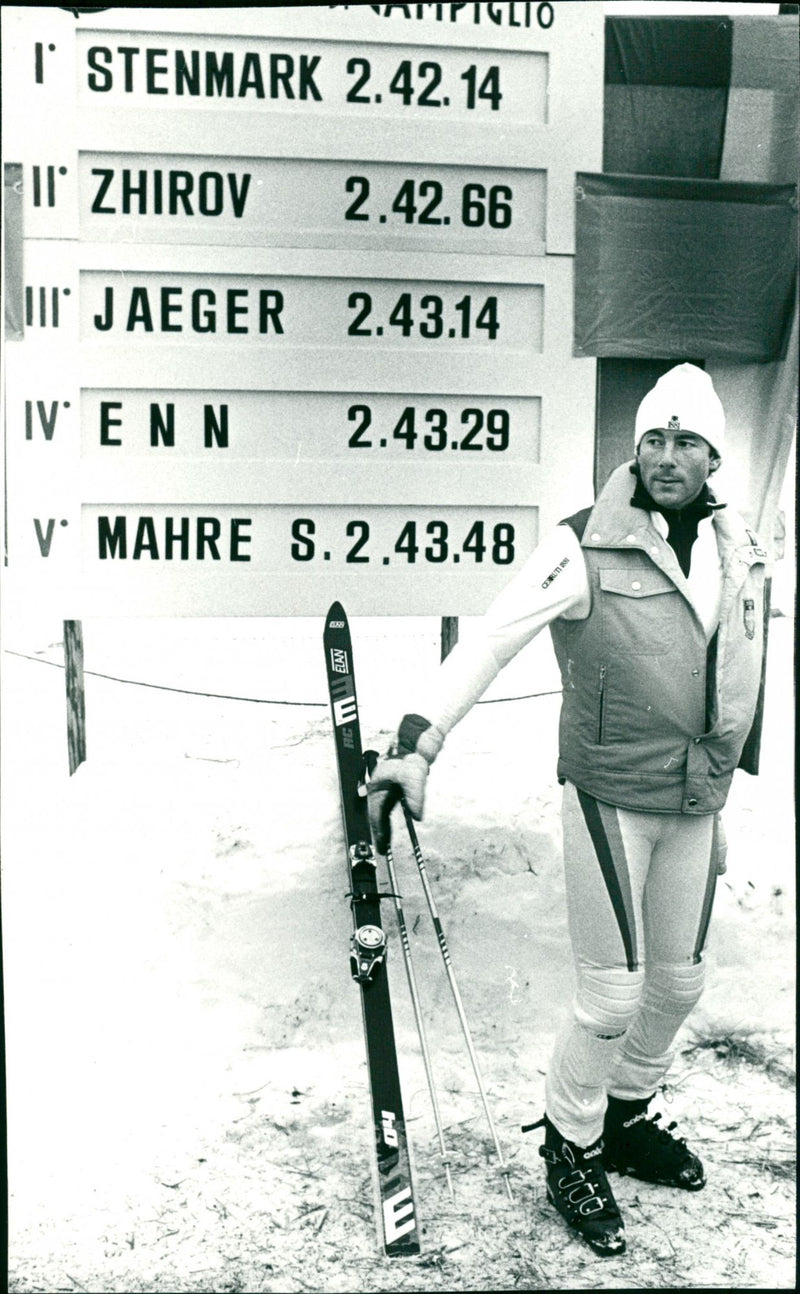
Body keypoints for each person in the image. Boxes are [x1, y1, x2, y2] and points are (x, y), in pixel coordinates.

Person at [367, 363, 766, 1257]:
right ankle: (571, 1143)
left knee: (679, 984)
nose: (667, 457)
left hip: (693, 802)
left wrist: (728, 787)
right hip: (609, 798)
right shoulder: (583, 543)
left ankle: (625, 1118)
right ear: (635, 451)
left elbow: (740, 665)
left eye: (686, 442)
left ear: (713, 458)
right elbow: (493, 636)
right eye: (653, 440)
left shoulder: (741, 550)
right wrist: (417, 742)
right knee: (612, 994)